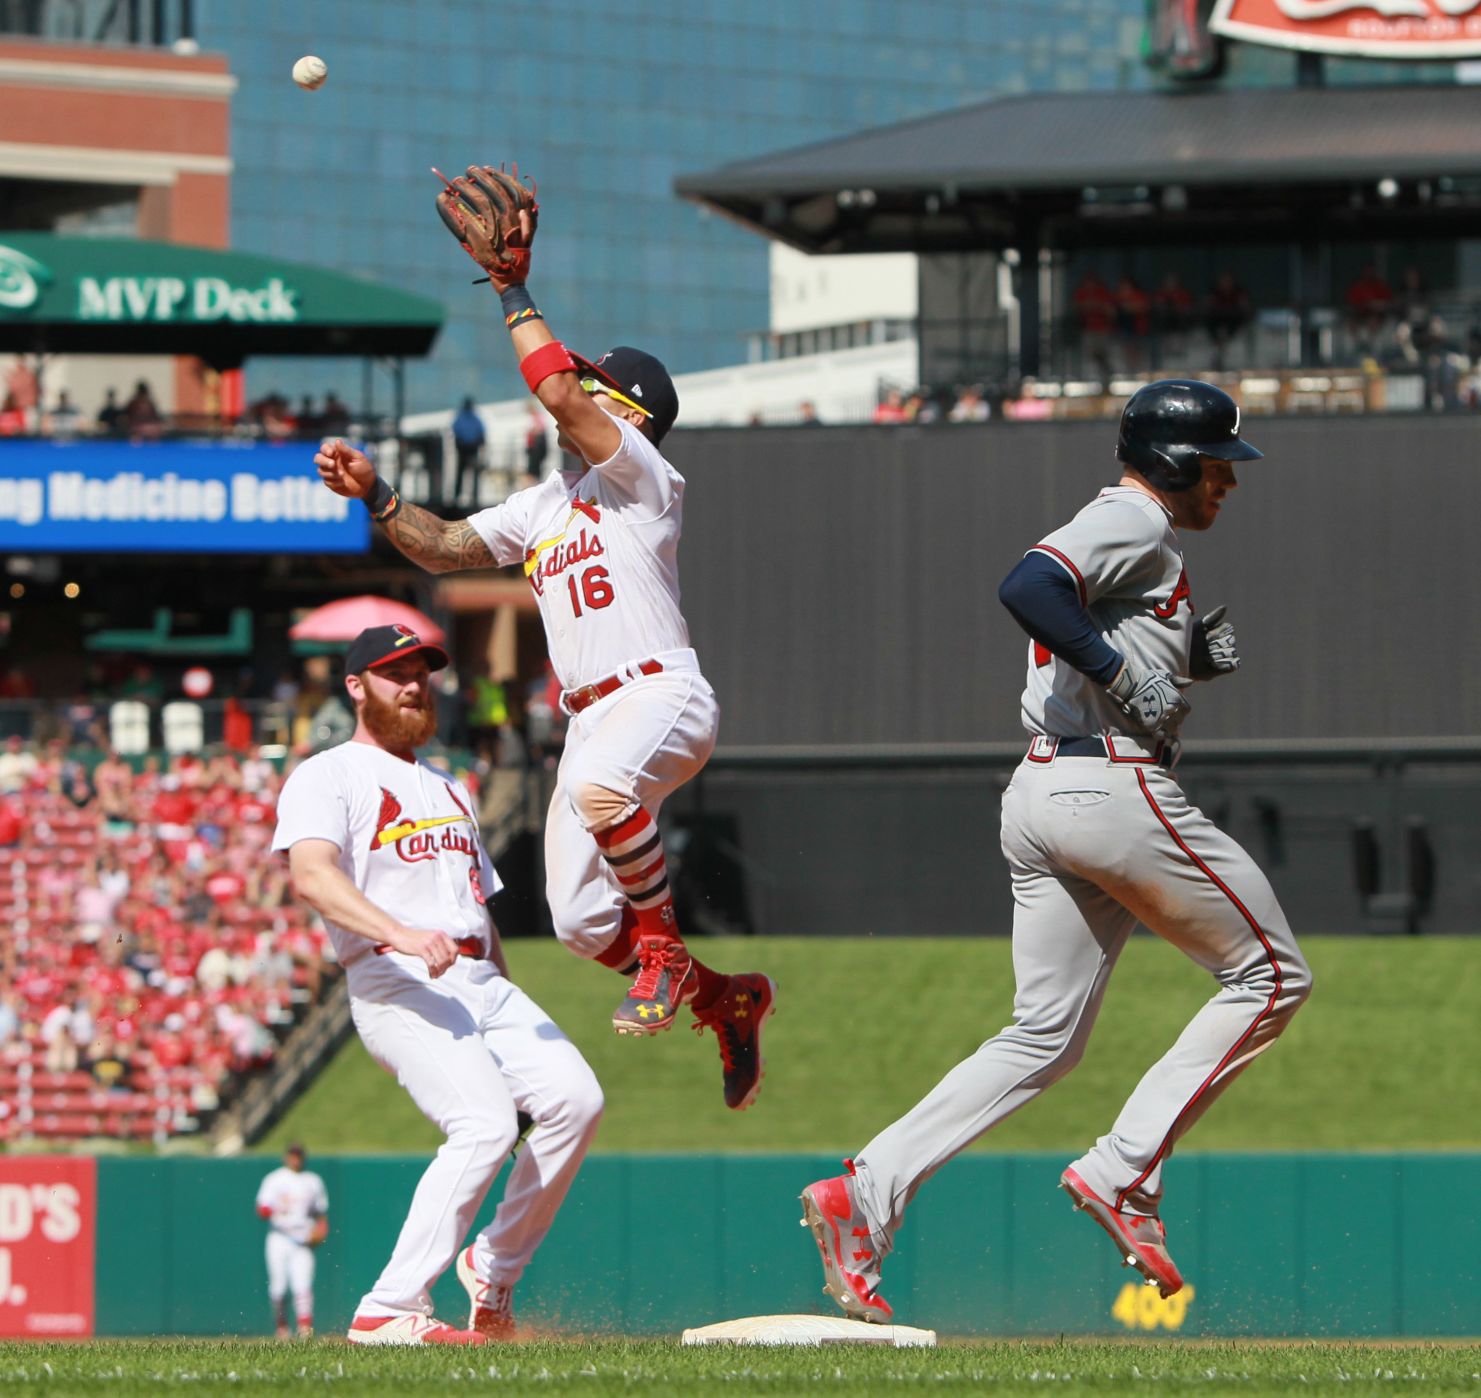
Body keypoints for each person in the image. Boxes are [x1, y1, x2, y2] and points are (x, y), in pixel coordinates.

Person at [801, 380, 1311, 1323]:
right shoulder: (1135, 518)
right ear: (1169, 462)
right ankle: (1123, 1173)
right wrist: (1125, 671)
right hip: (1108, 788)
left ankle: (862, 1194)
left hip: (1042, 788)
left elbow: (1077, 618)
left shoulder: (1131, 536)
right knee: (1270, 977)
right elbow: (1027, 586)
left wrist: (1171, 655)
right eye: (1215, 464)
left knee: (1042, 1037)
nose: (1227, 483)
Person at [313, 162, 776, 1114]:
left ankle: (660, 954)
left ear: (633, 416)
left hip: (659, 693)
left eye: (603, 388)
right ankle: (726, 1000)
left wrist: (512, 288)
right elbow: (440, 549)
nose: (585, 392)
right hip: (589, 723)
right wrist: (377, 496)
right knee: (573, 920)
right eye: (590, 381)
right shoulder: (546, 505)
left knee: (607, 794)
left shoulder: (644, 478)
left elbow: (563, 398)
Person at [271, 624, 603, 1345]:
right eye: (394, 672)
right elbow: (312, 874)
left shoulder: (449, 786)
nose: (414, 683)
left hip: (478, 979)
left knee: (576, 1100)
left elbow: (474, 911)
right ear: (356, 687)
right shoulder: (328, 774)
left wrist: (502, 990)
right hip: (396, 980)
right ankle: (389, 1307)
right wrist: (397, 933)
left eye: (421, 670)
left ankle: (492, 1265)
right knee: (484, 1125)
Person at [255, 1143, 329, 1339]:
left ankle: (304, 1328)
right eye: (292, 1155)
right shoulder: (275, 1179)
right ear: (286, 1157)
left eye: (299, 1155)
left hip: (303, 1238)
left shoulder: (312, 1181)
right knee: (278, 1287)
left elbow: (320, 1213)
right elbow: (262, 1208)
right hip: (279, 1238)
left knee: (302, 1285)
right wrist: (278, 1212)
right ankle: (282, 1328)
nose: (295, 1159)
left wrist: (321, 1231)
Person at [452, 397, 486, 507]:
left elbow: (455, 430)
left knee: (460, 473)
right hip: (473, 449)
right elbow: (481, 432)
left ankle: (456, 497)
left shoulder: (460, 417)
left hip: (462, 449)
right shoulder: (476, 418)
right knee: (474, 474)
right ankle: (475, 497)